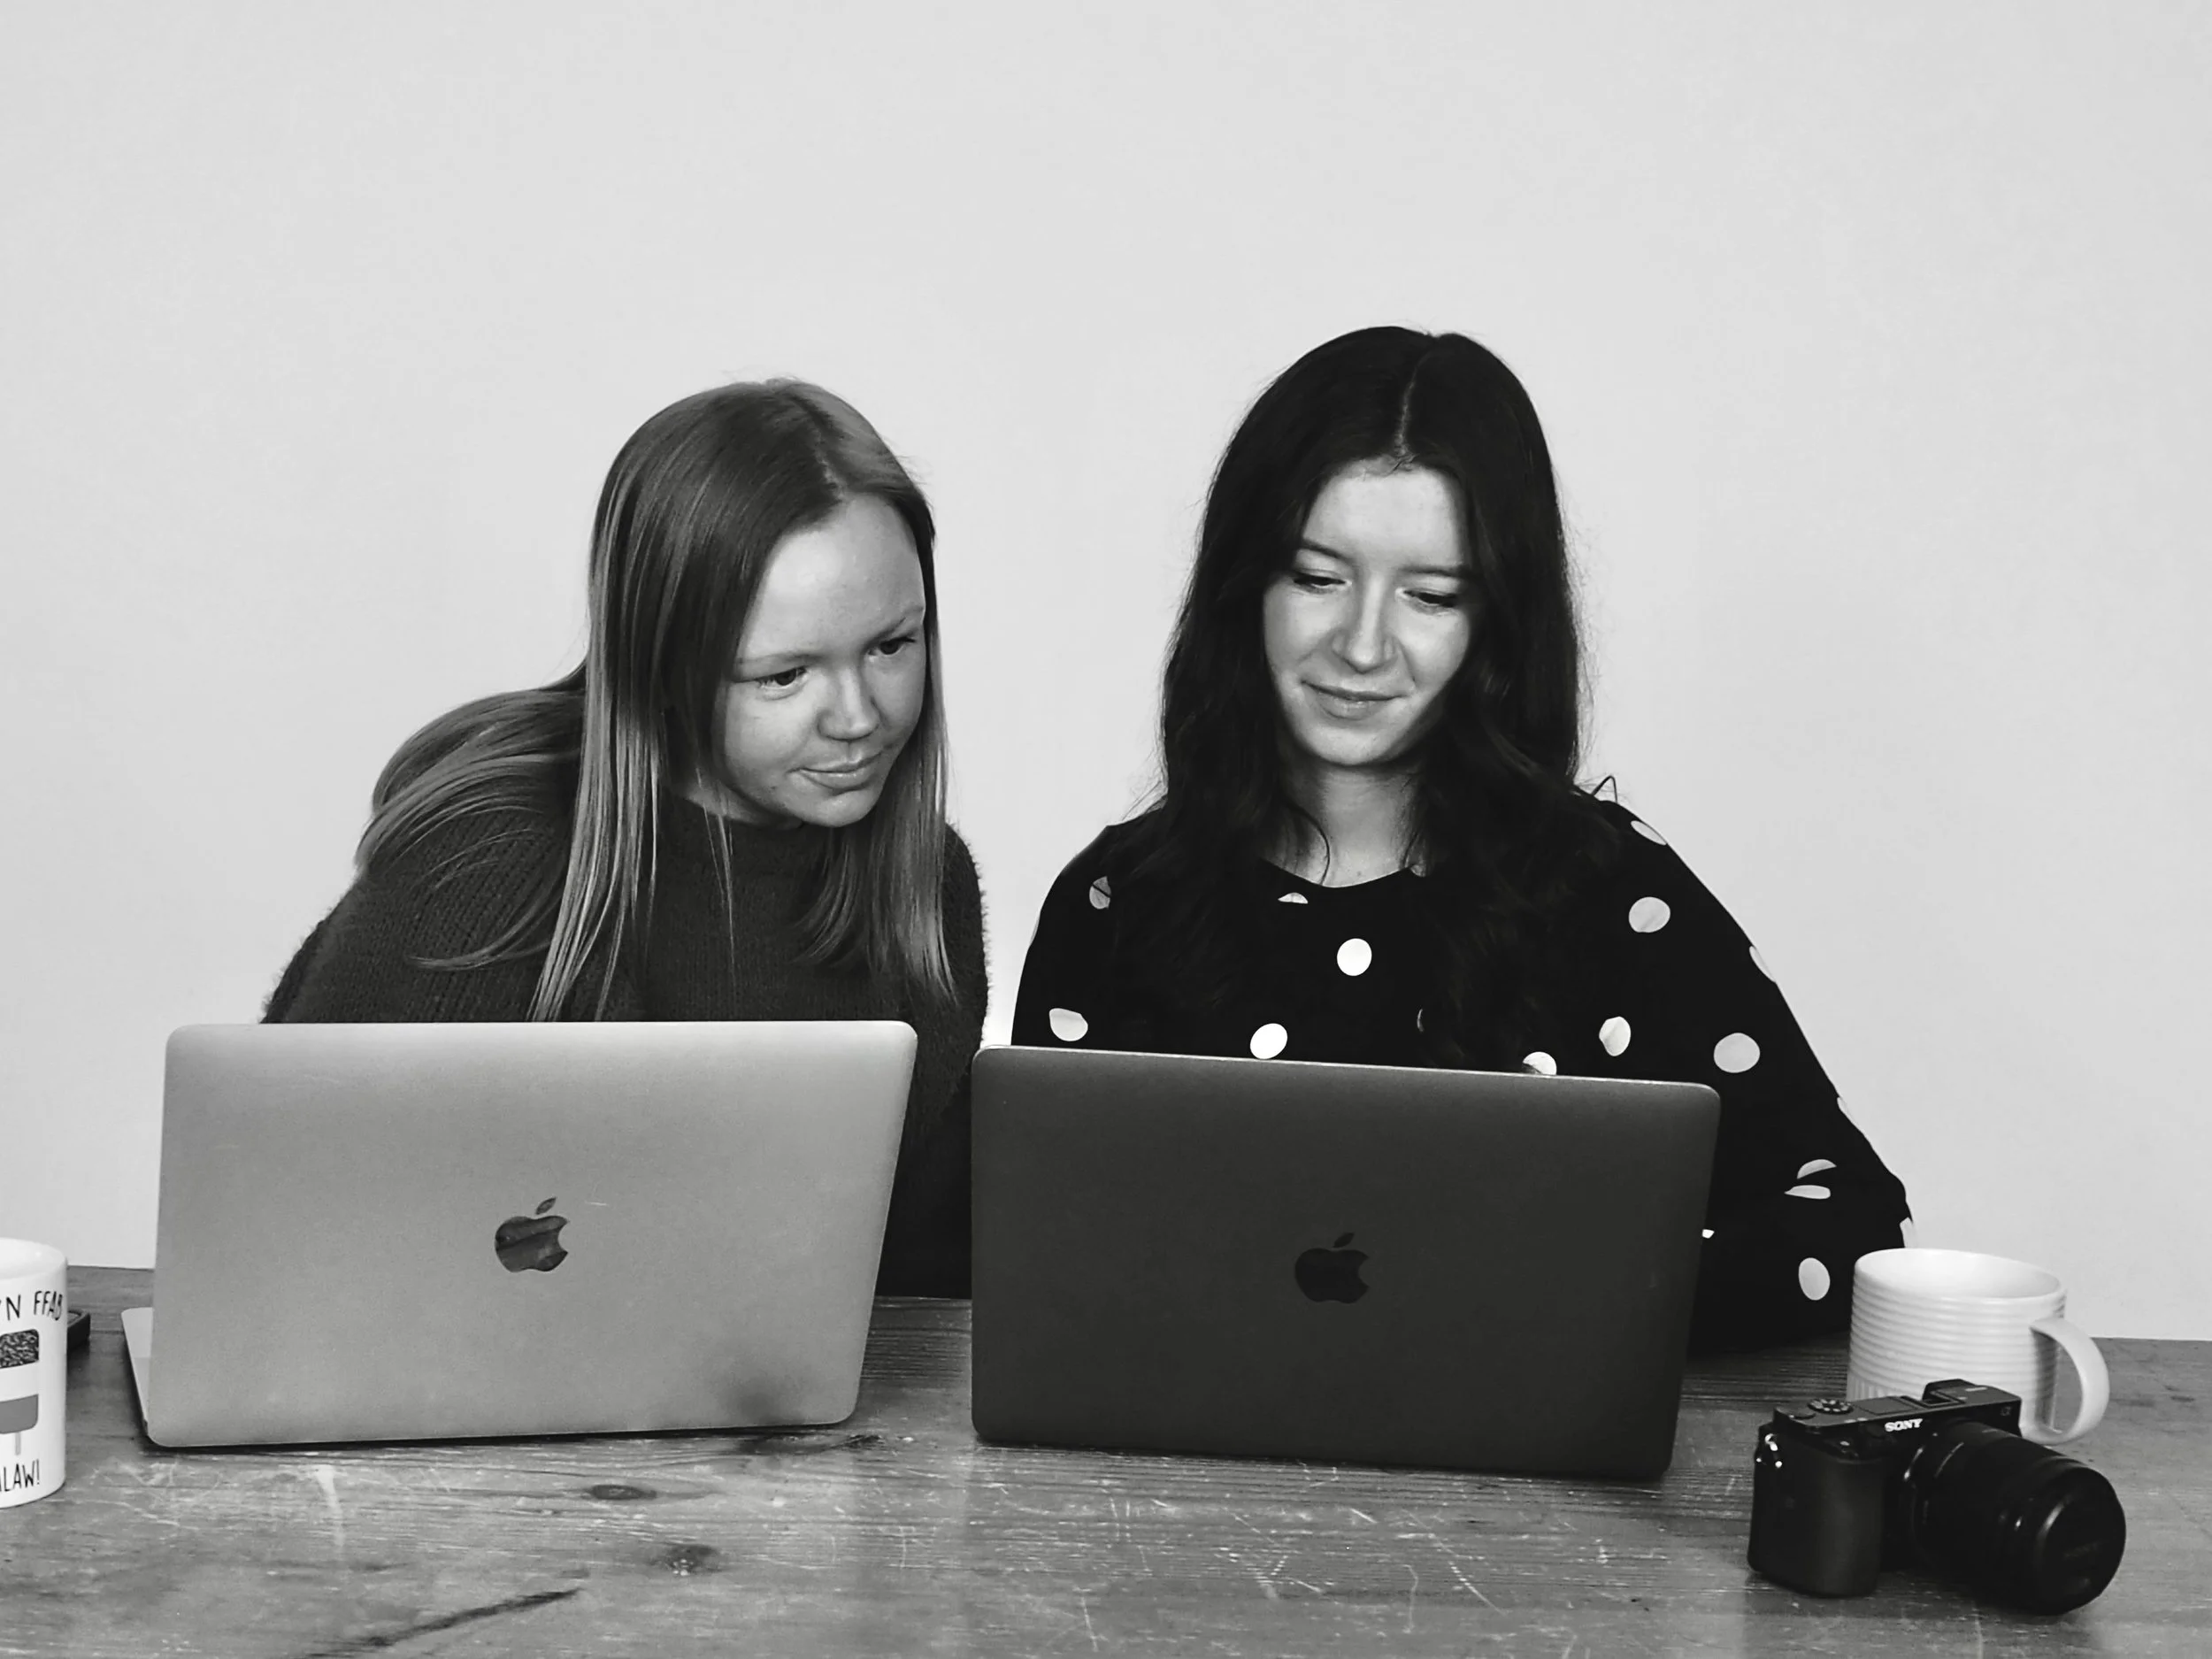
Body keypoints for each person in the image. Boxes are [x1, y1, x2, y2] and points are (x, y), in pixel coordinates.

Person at [1010, 326, 1909, 1349]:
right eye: (1315, 576)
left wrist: (1577, 1310)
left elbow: (1851, 1224)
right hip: (1169, 1496)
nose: (1361, 646)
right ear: (1240, 586)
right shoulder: (1117, 902)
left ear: (1497, 623)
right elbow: (1048, 1252)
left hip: (1522, 1503)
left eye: (1430, 596)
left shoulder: (1612, 897)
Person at [266, 380, 986, 1296]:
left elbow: (912, 1293)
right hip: (443, 1418)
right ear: (663, 669)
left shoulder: (928, 888)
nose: (856, 716)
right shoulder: (488, 867)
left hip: (780, 1421)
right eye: (783, 675)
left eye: (891, 645)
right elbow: (284, 1215)